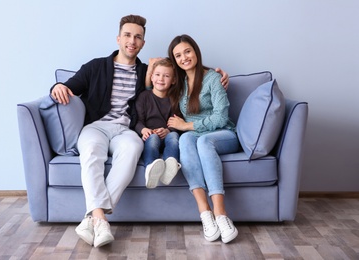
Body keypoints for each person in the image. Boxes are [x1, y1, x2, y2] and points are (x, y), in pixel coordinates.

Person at [51, 15, 229, 247]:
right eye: (127, 35)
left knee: (134, 149)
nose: (132, 41)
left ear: (143, 43)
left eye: (138, 37)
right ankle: (99, 218)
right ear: (118, 38)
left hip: (126, 130)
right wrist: (57, 86)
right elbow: (69, 85)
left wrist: (216, 75)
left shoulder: (147, 72)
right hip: (96, 127)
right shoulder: (95, 66)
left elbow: (170, 79)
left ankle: (93, 218)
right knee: (92, 152)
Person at [166, 34, 239, 244]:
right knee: (185, 140)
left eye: (187, 51)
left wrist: (187, 125)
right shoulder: (177, 84)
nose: (184, 58)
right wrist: (152, 65)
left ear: (196, 51)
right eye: (178, 55)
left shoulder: (213, 78)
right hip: (195, 136)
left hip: (223, 134)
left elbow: (221, 117)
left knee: (202, 141)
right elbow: (154, 86)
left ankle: (221, 214)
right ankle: (205, 213)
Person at [135, 58, 181, 189]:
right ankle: (150, 167)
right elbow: (137, 120)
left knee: (174, 137)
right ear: (151, 77)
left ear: (173, 80)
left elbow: (177, 122)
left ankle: (171, 163)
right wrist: (144, 130)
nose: (161, 79)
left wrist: (168, 130)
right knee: (153, 138)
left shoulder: (174, 100)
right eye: (157, 74)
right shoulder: (144, 97)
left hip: (166, 135)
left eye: (166, 76)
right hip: (150, 136)